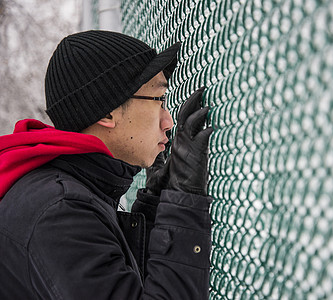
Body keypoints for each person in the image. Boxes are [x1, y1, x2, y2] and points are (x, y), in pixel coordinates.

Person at [0, 30, 213, 299]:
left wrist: (154, 209)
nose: (169, 121)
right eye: (159, 100)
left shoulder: (63, 192)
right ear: (107, 113)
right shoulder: (60, 213)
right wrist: (184, 205)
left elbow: (115, 281)